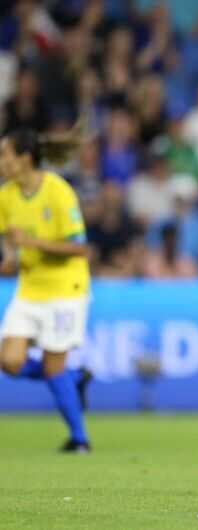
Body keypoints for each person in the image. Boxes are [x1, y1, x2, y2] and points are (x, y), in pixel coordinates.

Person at [0, 128, 92, 453]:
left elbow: (80, 248)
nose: (1, 162)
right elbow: (9, 243)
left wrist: (31, 243)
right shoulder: (7, 196)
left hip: (65, 290)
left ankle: (79, 439)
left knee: (53, 367)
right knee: (9, 361)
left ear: (25, 158)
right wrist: (10, 259)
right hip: (29, 289)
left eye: (5, 155)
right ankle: (73, 378)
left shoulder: (58, 191)